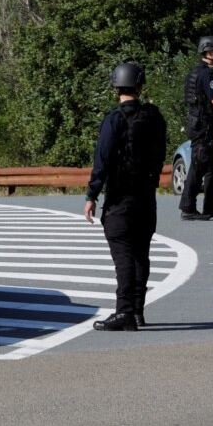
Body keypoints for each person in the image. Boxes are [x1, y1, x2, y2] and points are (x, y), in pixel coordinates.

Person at [84, 61, 167, 331]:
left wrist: (92, 194)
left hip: (120, 199)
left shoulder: (114, 119)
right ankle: (138, 310)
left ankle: (124, 312)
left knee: (123, 256)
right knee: (141, 255)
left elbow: (103, 159)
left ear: (116, 86)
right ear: (140, 85)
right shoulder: (154, 117)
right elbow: (160, 153)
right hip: (146, 197)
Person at [179, 36, 213, 220]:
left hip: (202, 124)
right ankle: (188, 208)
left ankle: (211, 206)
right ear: (210, 52)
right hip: (204, 126)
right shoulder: (207, 74)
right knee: (199, 165)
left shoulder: (197, 72)